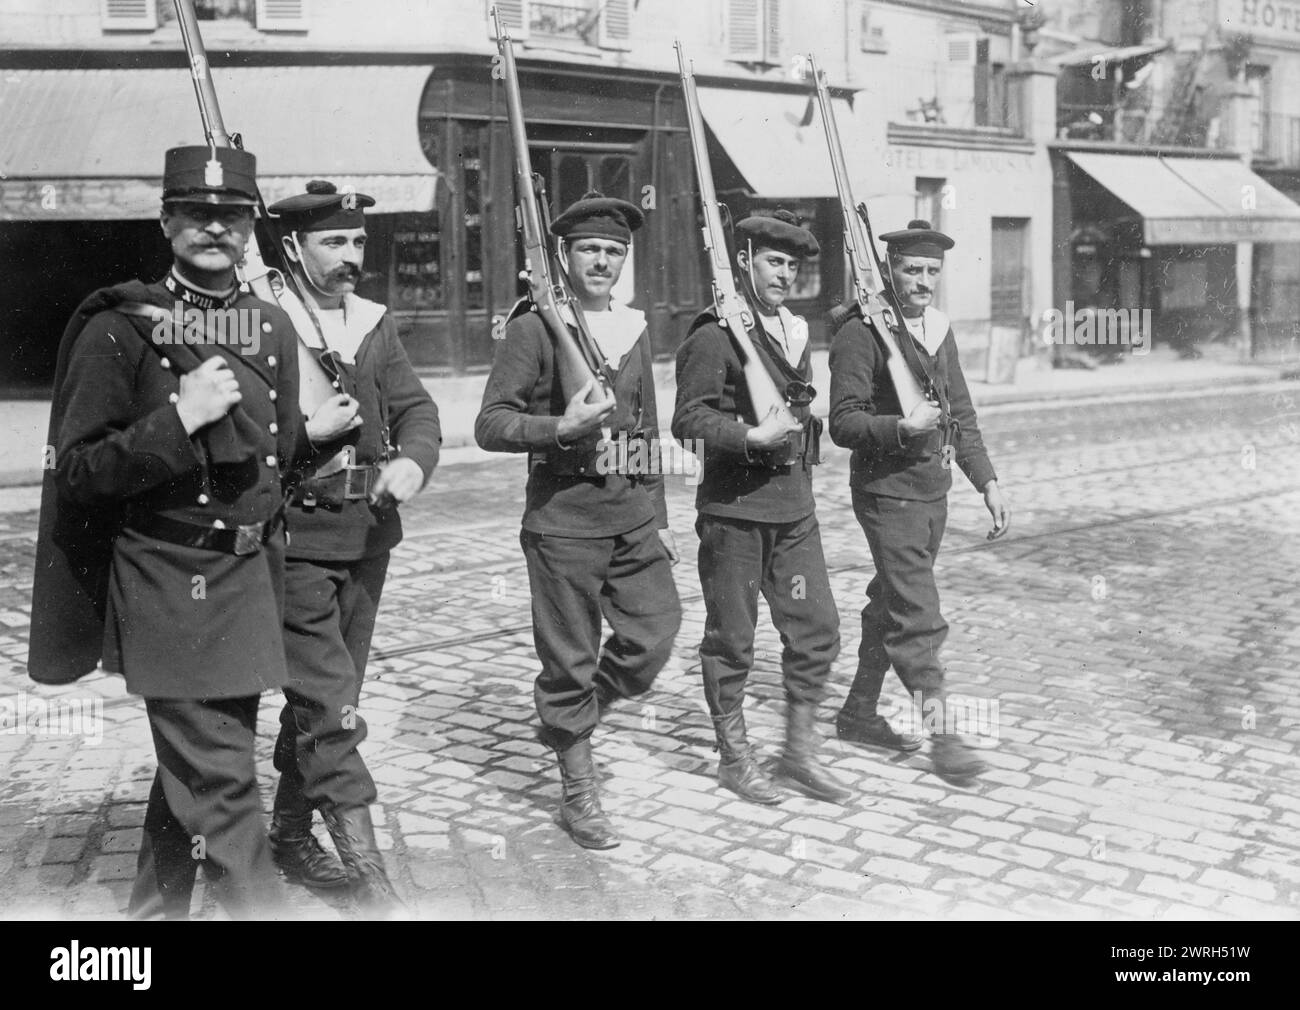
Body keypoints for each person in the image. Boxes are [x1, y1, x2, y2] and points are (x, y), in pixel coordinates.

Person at [28, 146, 306, 919]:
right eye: (197, 212)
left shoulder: (273, 325)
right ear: (166, 220)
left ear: (251, 227)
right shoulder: (120, 327)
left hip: (248, 582)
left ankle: (149, 919)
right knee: (224, 785)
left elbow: (275, 455)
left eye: (232, 214)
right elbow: (78, 470)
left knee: (191, 774)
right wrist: (179, 419)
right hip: (167, 579)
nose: (215, 227)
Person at [475, 191, 682, 850]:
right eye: (590, 249)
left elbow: (646, 424)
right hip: (562, 521)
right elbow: (490, 423)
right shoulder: (535, 327)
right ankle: (578, 790)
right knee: (568, 659)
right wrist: (558, 427)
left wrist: (661, 513)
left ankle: (571, 720)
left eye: (614, 251)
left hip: (629, 516)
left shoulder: (633, 326)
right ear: (564, 255)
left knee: (655, 632)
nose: (602, 260)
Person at [264, 180, 441, 915]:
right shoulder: (265, 321)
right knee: (332, 708)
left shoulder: (373, 323)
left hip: (367, 537)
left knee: (328, 699)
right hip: (296, 540)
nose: (350, 256)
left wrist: (415, 461)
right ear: (293, 248)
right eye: (332, 242)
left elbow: (418, 409)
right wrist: (308, 434)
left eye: (358, 242)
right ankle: (372, 883)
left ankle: (286, 829)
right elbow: (235, 439)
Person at [672, 209, 850, 806]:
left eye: (793, 265)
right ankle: (734, 757)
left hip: (793, 512)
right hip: (735, 513)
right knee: (733, 639)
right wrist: (748, 437)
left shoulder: (792, 330)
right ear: (744, 262)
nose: (784, 274)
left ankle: (798, 753)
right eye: (774, 261)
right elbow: (688, 420)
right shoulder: (714, 332)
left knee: (817, 627)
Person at [827, 219, 1009, 784]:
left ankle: (857, 711)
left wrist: (988, 481)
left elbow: (963, 411)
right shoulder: (862, 333)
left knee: (892, 601)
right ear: (890, 271)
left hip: (934, 491)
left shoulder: (937, 328)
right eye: (912, 269)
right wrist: (902, 427)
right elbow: (843, 422)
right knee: (918, 614)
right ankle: (944, 736)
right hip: (886, 492)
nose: (923, 280)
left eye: (932, 270)